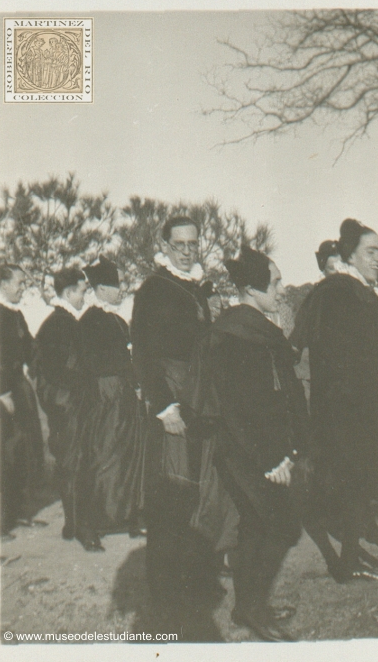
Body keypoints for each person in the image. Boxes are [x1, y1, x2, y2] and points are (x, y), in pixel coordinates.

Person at [205, 246, 309, 642]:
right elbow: (240, 406)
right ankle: (253, 609)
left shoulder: (254, 326)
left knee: (255, 525)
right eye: (276, 281)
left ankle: (247, 607)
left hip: (258, 447)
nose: (281, 288)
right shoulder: (235, 333)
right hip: (248, 450)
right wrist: (270, 460)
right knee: (281, 525)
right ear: (251, 288)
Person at [131, 216, 217, 618]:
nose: (186, 251)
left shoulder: (195, 287)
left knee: (194, 493)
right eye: (179, 244)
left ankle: (192, 582)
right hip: (172, 401)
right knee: (171, 495)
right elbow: (144, 353)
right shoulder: (153, 289)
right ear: (164, 246)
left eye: (193, 244)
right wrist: (164, 406)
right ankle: (164, 593)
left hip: (198, 397)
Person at [303, 219, 378, 583]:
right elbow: (339, 359)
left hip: (359, 407)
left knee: (361, 486)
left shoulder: (358, 292)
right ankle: (348, 559)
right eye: (371, 252)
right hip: (347, 411)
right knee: (354, 483)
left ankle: (351, 557)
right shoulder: (340, 292)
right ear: (350, 254)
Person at [35, 267, 102, 551]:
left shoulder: (54, 321)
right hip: (71, 404)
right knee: (80, 463)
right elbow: (56, 369)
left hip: (63, 403)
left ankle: (72, 523)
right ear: (69, 292)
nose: (84, 297)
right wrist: (83, 385)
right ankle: (84, 529)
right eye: (82, 291)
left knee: (68, 463)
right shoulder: (63, 323)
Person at [80, 256, 145, 538]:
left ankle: (128, 517)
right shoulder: (90, 320)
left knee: (130, 454)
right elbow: (91, 362)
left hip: (125, 393)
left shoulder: (118, 319)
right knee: (106, 454)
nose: (121, 290)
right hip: (106, 394)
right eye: (116, 286)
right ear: (103, 289)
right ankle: (94, 524)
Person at [0, 264, 44, 537]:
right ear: (3, 284)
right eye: (19, 283)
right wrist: (2, 393)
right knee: (5, 455)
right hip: (1, 391)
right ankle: (0, 523)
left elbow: (30, 347)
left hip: (18, 388)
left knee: (26, 451)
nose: (22, 288)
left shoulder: (15, 314)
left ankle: (20, 513)